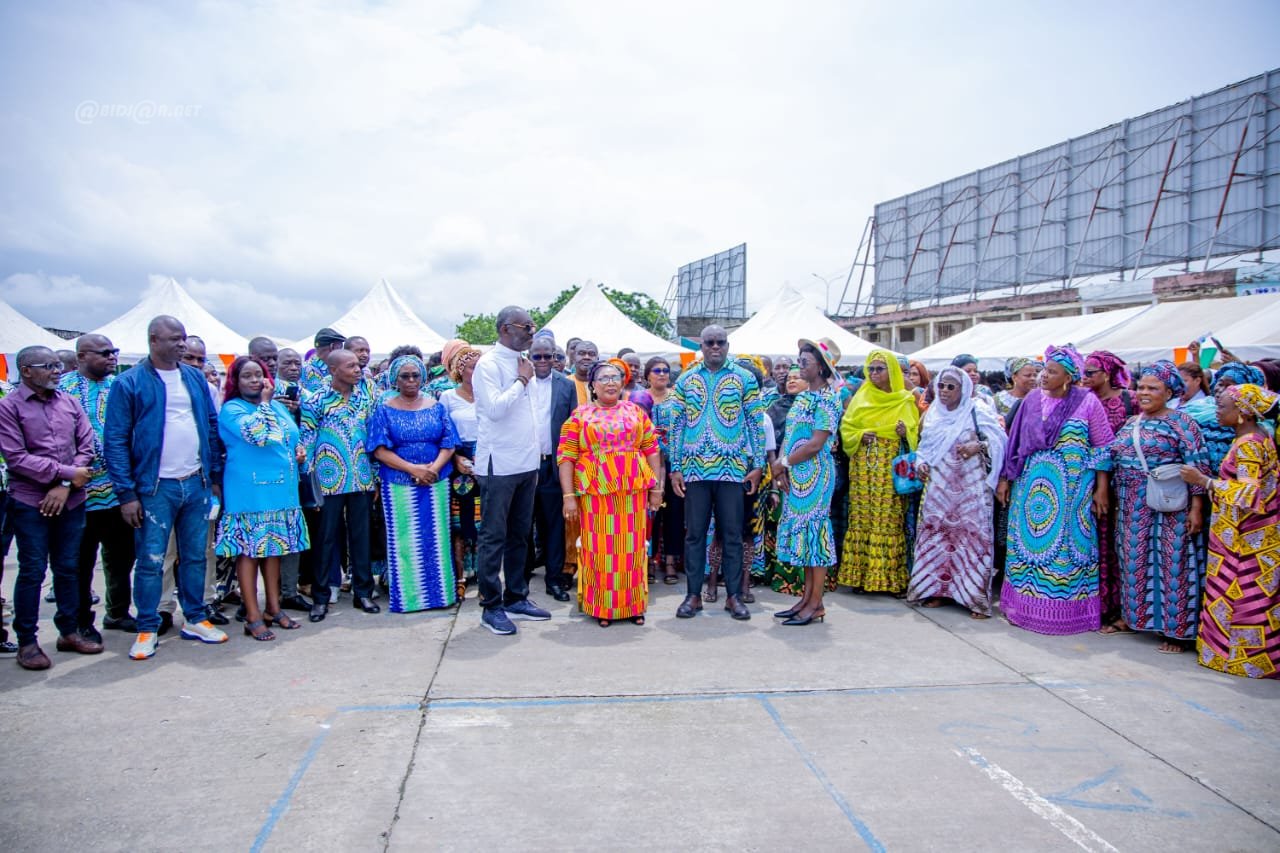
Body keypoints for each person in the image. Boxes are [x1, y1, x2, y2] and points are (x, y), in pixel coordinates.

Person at [104, 315, 228, 660]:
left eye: (183, 338)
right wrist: (126, 494)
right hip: (154, 488)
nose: (182, 344)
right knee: (152, 560)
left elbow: (211, 425)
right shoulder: (129, 383)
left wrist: (214, 476)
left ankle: (195, 618)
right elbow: (115, 440)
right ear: (153, 340)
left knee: (195, 555)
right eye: (174, 338)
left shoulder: (193, 377)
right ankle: (147, 626)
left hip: (196, 482)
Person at [996, 344, 1114, 635]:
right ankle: (1024, 609)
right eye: (1044, 370)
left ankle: (1065, 614)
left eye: (1051, 371)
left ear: (1068, 377)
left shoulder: (1087, 402)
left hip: (1072, 491)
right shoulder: (1032, 400)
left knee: (1067, 549)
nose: (1044, 376)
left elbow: (1102, 447)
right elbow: (1014, 444)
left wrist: (1101, 489)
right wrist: (1005, 479)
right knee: (1028, 548)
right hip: (1030, 491)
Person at [1095, 361, 1211, 652]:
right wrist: (1103, 489)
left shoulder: (1183, 424)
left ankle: (1176, 631)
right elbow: (1110, 456)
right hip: (1132, 505)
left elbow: (1198, 465)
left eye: (1153, 388)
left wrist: (1197, 508)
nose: (1144, 393)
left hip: (1170, 505)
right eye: (1141, 387)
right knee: (1133, 561)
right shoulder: (1131, 423)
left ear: (1169, 392)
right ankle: (1132, 619)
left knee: (1173, 563)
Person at [0, 346, 100, 669]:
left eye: (58, 365)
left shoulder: (69, 402)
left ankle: (68, 632)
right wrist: (67, 474)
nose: (57, 371)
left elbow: (87, 447)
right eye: (49, 366)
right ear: (26, 370)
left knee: (68, 567)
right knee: (32, 570)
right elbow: (16, 458)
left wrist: (65, 484)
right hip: (31, 501)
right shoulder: (8, 407)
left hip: (71, 499)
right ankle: (27, 642)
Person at [1180, 384, 1280, 678]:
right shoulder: (1256, 437)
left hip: (1246, 539)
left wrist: (1205, 481)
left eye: (1222, 406)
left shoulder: (1249, 444)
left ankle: (1239, 660)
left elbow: (1249, 493)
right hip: (1246, 533)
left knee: (1242, 596)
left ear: (1243, 413)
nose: (1217, 411)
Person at [668, 325, 766, 620]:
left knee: (733, 534)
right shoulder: (686, 379)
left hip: (732, 470)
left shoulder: (744, 378)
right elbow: (676, 426)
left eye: (720, 342)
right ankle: (693, 595)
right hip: (695, 470)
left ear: (727, 345)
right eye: (709, 342)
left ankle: (733, 596)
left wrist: (757, 465)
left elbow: (755, 424)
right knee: (695, 535)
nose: (715, 347)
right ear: (701, 346)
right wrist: (675, 468)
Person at [558, 361, 663, 626]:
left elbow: (652, 449)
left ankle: (633, 606)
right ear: (593, 385)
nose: (610, 382)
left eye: (615, 377)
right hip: (596, 496)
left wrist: (656, 488)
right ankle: (602, 608)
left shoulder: (635, 412)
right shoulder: (580, 416)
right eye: (604, 378)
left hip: (632, 494)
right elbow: (566, 457)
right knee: (600, 552)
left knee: (632, 550)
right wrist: (568, 497)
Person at [215, 356, 309, 640]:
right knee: (250, 552)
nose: (255, 380)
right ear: (236, 381)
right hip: (250, 492)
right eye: (247, 376)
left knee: (274, 549)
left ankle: (273, 609)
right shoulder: (232, 409)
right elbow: (258, 435)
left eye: (259, 374)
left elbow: (290, 436)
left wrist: (298, 452)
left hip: (282, 490)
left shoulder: (277, 407)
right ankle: (253, 616)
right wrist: (266, 403)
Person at [471, 306, 552, 635]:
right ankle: (491, 606)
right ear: (506, 329)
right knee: (493, 536)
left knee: (520, 535)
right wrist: (521, 380)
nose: (532, 332)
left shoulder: (524, 362)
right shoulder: (488, 364)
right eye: (526, 326)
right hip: (499, 463)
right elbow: (494, 410)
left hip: (527, 463)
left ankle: (516, 596)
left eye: (533, 326)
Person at [908, 366, 1007, 618]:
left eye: (951, 386)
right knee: (938, 537)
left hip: (970, 490)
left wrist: (978, 446)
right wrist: (921, 463)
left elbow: (999, 441)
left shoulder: (977, 410)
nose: (944, 391)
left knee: (972, 540)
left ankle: (974, 599)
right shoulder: (933, 414)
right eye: (941, 385)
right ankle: (936, 591)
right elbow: (924, 447)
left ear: (963, 389)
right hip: (939, 489)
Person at [367, 354, 460, 612]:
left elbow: (449, 443)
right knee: (405, 541)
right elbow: (379, 450)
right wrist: (413, 469)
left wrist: (433, 469)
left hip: (435, 482)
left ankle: (440, 596)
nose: (410, 380)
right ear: (395, 379)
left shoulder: (436, 407)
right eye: (404, 376)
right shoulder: (384, 410)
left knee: (437, 540)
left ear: (422, 377)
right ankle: (409, 599)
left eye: (415, 375)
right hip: (398, 484)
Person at [59, 334, 137, 637]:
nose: (112, 357)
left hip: (119, 492)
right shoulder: (62, 390)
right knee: (79, 562)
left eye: (114, 352)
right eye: (104, 353)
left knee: (121, 558)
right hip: (77, 494)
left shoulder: (120, 387)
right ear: (81, 356)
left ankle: (118, 613)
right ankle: (81, 622)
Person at [301, 348, 379, 620]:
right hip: (328, 481)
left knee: (361, 537)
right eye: (351, 366)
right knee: (325, 539)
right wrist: (310, 483)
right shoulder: (317, 400)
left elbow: (373, 438)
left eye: (358, 365)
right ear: (333, 370)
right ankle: (321, 597)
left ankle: (363, 593)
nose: (358, 370)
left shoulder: (365, 398)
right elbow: (307, 441)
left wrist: (375, 476)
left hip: (361, 478)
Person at [770, 341, 842, 625]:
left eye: (805, 362)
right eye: (799, 360)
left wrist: (784, 463)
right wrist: (781, 468)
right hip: (795, 474)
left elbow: (815, 444)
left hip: (816, 475)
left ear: (821, 367)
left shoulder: (828, 400)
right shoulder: (803, 398)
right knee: (804, 537)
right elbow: (790, 436)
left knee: (815, 536)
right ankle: (807, 599)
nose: (799, 366)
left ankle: (816, 603)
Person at [837, 349, 920, 595]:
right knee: (861, 519)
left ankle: (889, 580)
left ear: (891, 371)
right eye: (870, 369)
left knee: (888, 521)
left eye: (879, 369)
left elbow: (916, 435)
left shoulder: (904, 400)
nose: (873, 373)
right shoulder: (861, 398)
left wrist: (906, 434)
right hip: (863, 470)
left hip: (889, 472)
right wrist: (860, 435)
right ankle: (861, 577)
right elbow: (847, 429)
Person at [1083, 349, 1135, 630]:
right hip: (1087, 481)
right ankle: (1097, 605)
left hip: (1124, 484)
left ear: (1106, 374)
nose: (1085, 377)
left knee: (1119, 546)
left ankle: (1120, 607)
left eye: (1091, 372)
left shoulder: (1130, 400)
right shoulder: (1081, 399)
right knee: (1095, 542)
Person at [527, 335, 576, 602]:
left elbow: (572, 428)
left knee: (554, 525)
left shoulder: (566, 386)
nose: (544, 361)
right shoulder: (519, 382)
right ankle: (520, 579)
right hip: (524, 464)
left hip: (553, 465)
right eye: (538, 356)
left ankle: (554, 580)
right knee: (523, 524)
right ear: (530, 357)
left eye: (550, 356)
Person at [440, 340, 482, 595]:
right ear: (460, 369)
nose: (477, 372)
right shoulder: (448, 397)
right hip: (459, 462)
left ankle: (481, 572)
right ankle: (459, 576)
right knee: (458, 521)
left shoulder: (489, 394)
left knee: (483, 519)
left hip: (486, 460)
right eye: (472, 367)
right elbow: (444, 433)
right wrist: (455, 458)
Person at [763, 365, 805, 593]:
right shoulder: (776, 407)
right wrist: (778, 471)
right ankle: (778, 572)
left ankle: (804, 577)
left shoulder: (814, 406)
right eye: (789, 378)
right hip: (780, 469)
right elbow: (774, 444)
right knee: (779, 521)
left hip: (807, 470)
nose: (791, 381)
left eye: (797, 377)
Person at [645, 357, 682, 585]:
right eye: (657, 370)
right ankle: (648, 561)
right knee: (651, 514)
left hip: (673, 464)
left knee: (674, 514)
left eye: (665, 370)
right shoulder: (638, 399)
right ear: (647, 375)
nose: (662, 374)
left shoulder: (677, 399)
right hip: (647, 465)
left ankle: (670, 562)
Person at [300, 327, 347, 393]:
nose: (342, 352)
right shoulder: (309, 369)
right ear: (332, 347)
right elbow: (318, 396)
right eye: (340, 348)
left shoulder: (330, 367)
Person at [569, 340, 598, 406]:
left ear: (597, 359)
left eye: (591, 354)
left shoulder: (604, 385)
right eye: (581, 353)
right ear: (574, 358)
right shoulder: (564, 384)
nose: (586, 357)